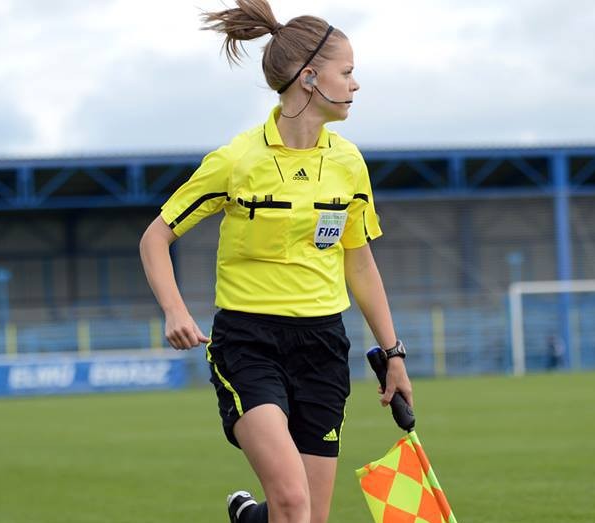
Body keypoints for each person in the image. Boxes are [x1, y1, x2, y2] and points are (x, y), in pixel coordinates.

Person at [138, 1, 413, 522]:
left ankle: (249, 518)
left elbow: (359, 263)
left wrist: (393, 354)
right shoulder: (238, 160)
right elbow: (155, 237)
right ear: (309, 77)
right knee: (292, 500)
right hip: (249, 343)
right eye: (347, 73)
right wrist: (174, 310)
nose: (356, 85)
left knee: (307, 516)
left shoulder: (349, 163)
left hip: (323, 345)